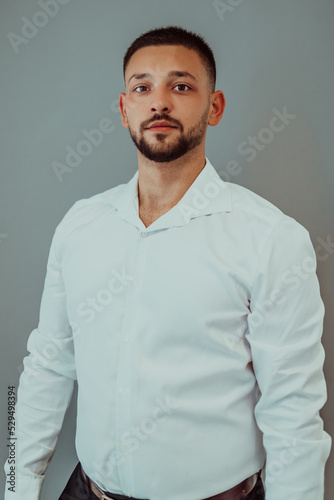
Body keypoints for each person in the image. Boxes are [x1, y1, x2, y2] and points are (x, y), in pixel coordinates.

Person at [4, 25, 331, 500]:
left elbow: (294, 412)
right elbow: (47, 363)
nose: (159, 102)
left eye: (180, 86)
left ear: (214, 107)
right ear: (123, 109)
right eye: (142, 87)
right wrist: (15, 484)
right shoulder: (80, 225)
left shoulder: (270, 239)